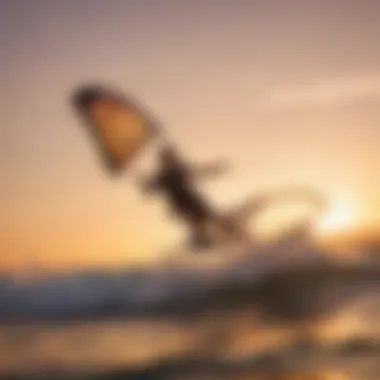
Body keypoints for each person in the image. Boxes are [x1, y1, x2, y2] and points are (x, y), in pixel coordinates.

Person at [139, 144, 241, 249]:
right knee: (197, 222)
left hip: (191, 200)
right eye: (169, 158)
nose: (172, 160)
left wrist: (216, 168)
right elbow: (150, 190)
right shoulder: (163, 176)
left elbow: (200, 171)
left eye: (172, 158)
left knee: (208, 217)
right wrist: (143, 183)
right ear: (164, 160)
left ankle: (223, 233)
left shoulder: (179, 170)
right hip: (181, 204)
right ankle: (203, 240)